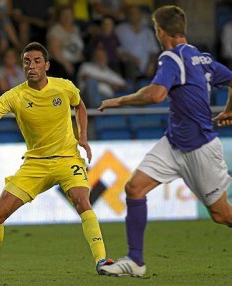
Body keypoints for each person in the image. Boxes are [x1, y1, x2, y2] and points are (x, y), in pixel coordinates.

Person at [0, 42, 113, 277]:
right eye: (27, 61)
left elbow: (80, 105)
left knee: (82, 201)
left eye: (37, 61)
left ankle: (102, 261)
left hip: (67, 158)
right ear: (22, 66)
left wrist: (83, 137)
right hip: (35, 164)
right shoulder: (14, 96)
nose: (31, 66)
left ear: (46, 65)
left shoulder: (64, 87)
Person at [97, 5, 232, 277]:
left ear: (160, 31)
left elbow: (156, 95)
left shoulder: (171, 58)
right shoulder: (201, 58)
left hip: (200, 148)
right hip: (173, 143)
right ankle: (135, 261)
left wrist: (120, 100)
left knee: (222, 216)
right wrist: (229, 109)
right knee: (134, 188)